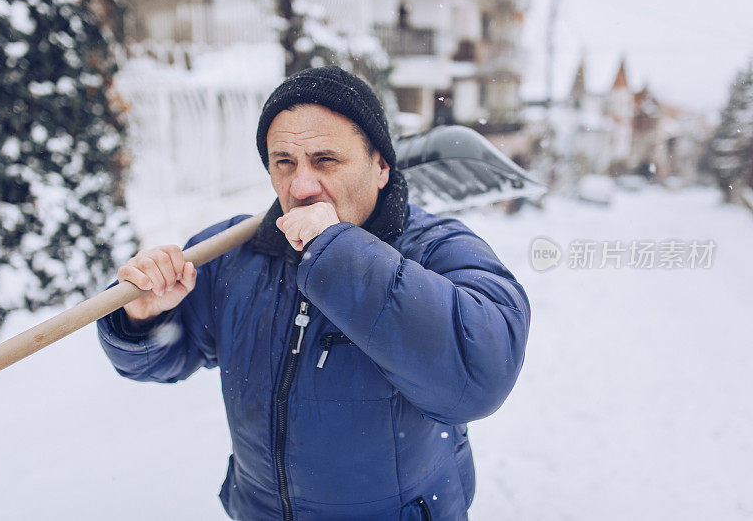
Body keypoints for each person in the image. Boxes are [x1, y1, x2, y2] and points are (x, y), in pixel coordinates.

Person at [97, 66, 530, 520]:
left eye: (325, 160)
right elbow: (160, 360)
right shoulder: (234, 254)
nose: (300, 186)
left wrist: (339, 254)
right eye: (284, 161)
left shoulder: (438, 249)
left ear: (380, 166)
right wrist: (143, 318)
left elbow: (482, 373)